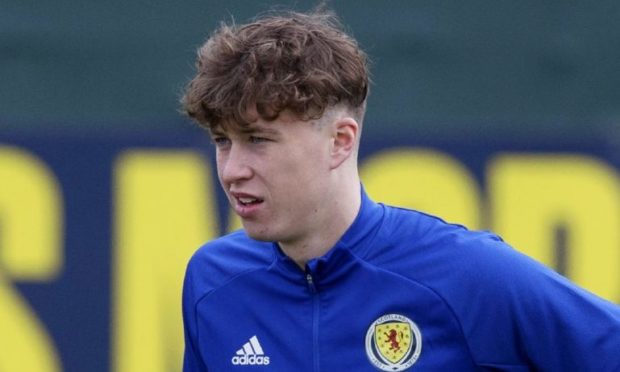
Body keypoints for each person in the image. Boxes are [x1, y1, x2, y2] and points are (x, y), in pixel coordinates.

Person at [180, 8, 620, 371]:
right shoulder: (213, 281)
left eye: (258, 140)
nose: (233, 169)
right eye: (222, 140)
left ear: (340, 141)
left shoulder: (466, 274)